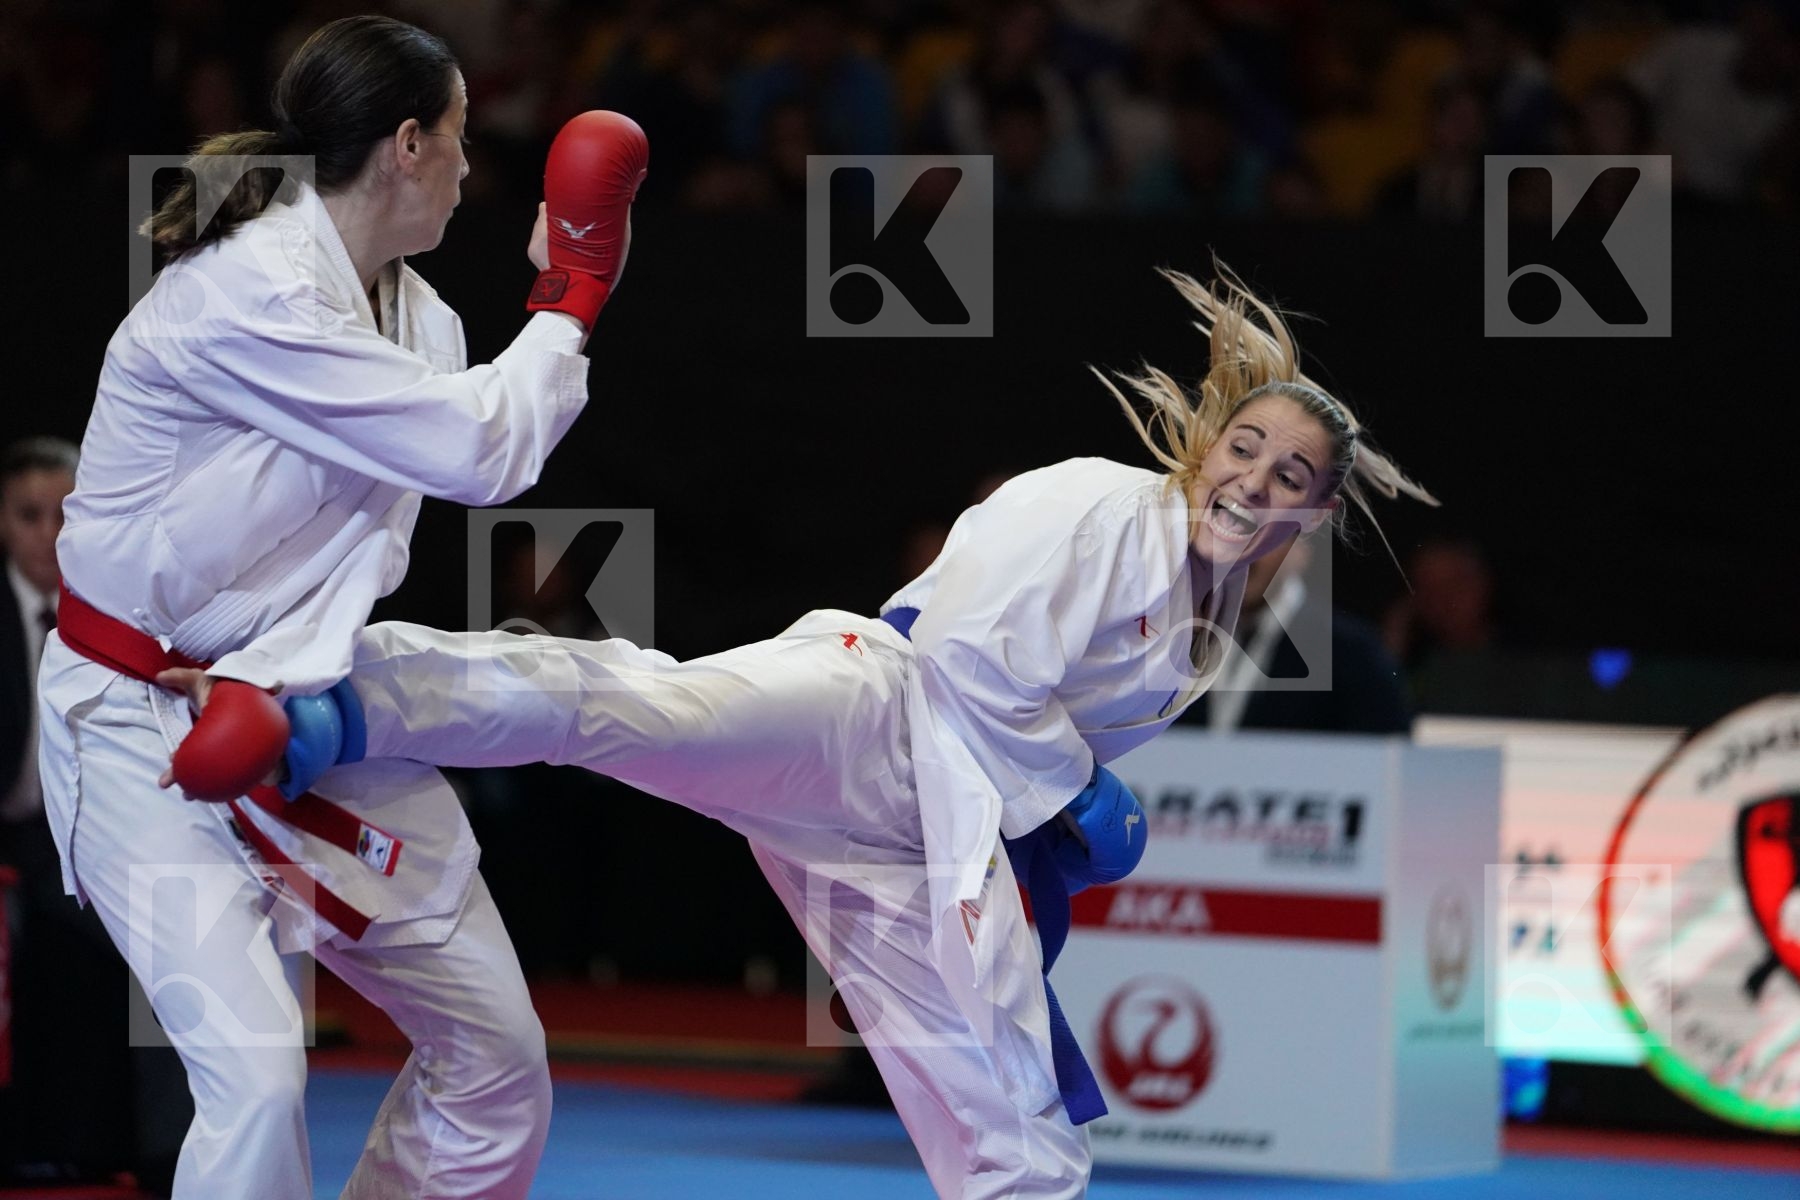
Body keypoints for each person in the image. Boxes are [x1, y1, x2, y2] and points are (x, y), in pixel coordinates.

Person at [164, 266, 1435, 1198]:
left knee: (1007, 1108)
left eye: (1290, 479)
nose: (1255, 482)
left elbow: (1036, 739)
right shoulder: (1103, 510)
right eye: (1249, 449)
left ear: (1313, 516)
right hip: (871, 712)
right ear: (1207, 442)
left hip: (920, 838)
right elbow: (970, 666)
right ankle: (335, 697)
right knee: (633, 707)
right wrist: (1072, 798)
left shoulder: (1205, 626)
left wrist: (1054, 817)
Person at [38, 15, 645, 1200]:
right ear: (408, 144)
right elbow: (484, 450)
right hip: (134, 732)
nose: (476, 169)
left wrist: (285, 692)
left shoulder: (427, 324)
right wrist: (573, 285)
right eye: (462, 138)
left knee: (498, 1055)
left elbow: (440, 482)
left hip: (297, 724)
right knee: (259, 1071)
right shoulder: (247, 292)